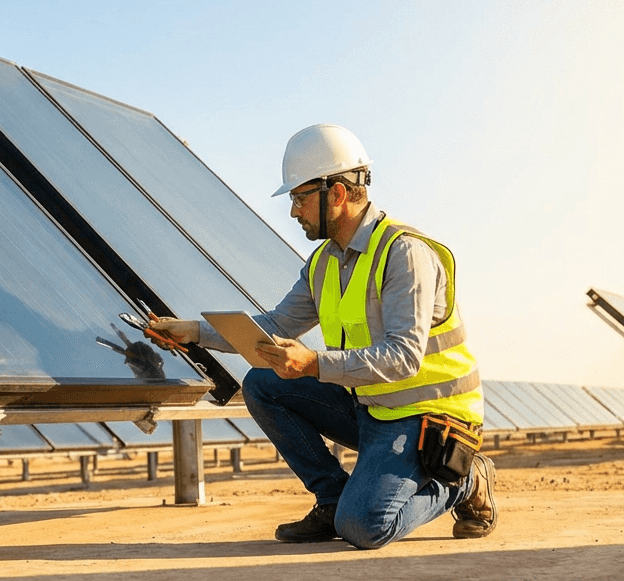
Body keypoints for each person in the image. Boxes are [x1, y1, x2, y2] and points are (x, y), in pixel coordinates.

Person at [148, 124, 497, 549]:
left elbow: (404, 357)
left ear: (336, 193)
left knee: (365, 527)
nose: (294, 212)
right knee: (262, 383)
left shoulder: (405, 254)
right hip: (371, 408)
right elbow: (275, 327)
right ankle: (331, 499)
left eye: (299, 197)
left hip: (428, 416)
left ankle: (466, 479)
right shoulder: (323, 263)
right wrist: (193, 332)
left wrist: (314, 364)